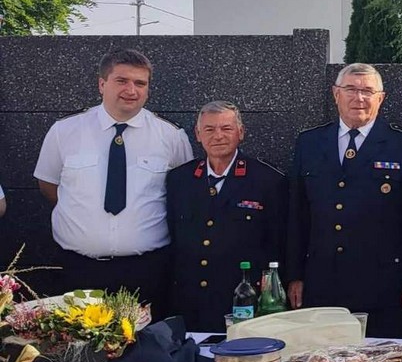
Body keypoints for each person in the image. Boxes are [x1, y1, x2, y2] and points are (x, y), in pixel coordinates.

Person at [33, 49, 194, 316]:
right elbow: (48, 186)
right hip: (78, 270)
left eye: (140, 83)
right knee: (78, 342)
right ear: (102, 84)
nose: (131, 90)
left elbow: (183, 193)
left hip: (147, 271)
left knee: (147, 341)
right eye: (122, 81)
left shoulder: (171, 136)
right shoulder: (64, 131)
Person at [285, 62, 402, 339]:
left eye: (368, 91)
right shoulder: (309, 143)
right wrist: (295, 275)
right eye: (351, 89)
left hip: (383, 285)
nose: (359, 98)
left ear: (381, 98)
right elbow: (297, 215)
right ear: (336, 94)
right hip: (322, 282)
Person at [165, 101, 287, 332]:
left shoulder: (268, 180)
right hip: (190, 299)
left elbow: (279, 242)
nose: (218, 136)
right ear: (198, 134)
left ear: (241, 132)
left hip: (242, 297)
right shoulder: (179, 179)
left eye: (226, 128)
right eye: (209, 129)